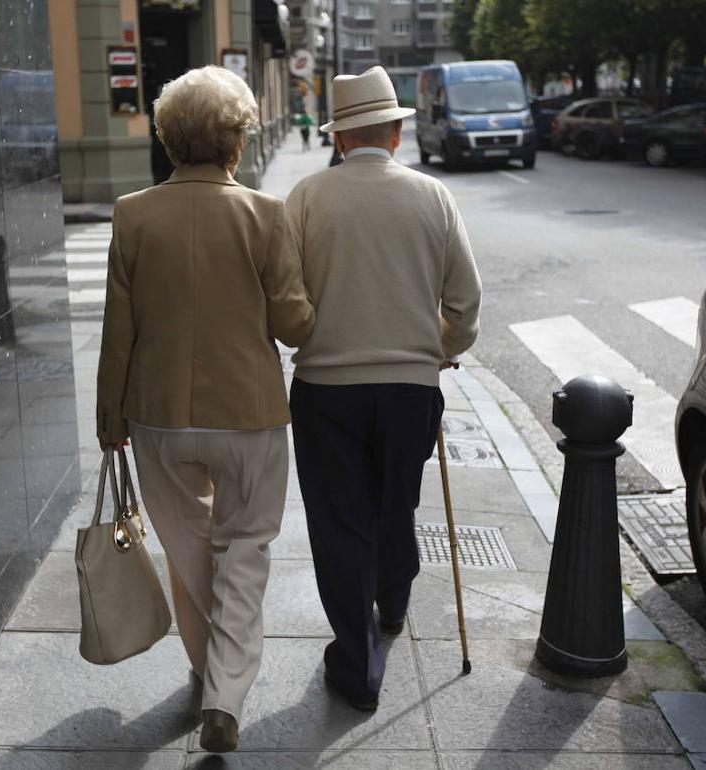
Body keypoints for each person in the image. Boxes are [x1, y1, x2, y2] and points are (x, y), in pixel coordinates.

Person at [96, 65, 315, 753]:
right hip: (248, 411)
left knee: (190, 547)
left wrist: (110, 418)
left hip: (157, 414)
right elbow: (294, 326)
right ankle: (225, 691)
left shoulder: (133, 215)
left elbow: (118, 328)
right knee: (245, 547)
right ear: (237, 141)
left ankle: (205, 666)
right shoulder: (265, 215)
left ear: (167, 139)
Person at [285, 66, 482, 712]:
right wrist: (439, 349)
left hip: (327, 387)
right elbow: (466, 302)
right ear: (397, 132)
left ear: (339, 138)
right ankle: (393, 600)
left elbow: (285, 300)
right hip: (409, 387)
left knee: (340, 522)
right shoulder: (434, 197)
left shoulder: (306, 198)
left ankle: (357, 662)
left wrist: (315, 335)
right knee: (396, 501)